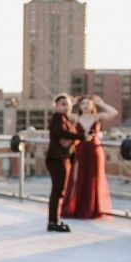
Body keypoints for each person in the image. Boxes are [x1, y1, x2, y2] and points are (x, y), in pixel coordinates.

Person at [62, 94, 117, 219]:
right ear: (80, 106)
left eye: (88, 103)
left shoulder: (97, 117)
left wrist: (101, 103)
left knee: (94, 178)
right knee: (78, 177)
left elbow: (114, 113)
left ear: (92, 105)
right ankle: (77, 208)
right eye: (83, 104)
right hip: (80, 150)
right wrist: (73, 102)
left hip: (94, 150)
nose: (86, 106)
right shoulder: (76, 117)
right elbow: (66, 112)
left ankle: (92, 209)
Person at [45, 93, 79, 232]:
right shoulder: (57, 118)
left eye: (68, 104)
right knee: (57, 191)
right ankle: (53, 221)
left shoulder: (66, 119)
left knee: (59, 191)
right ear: (56, 106)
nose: (66, 106)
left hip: (63, 158)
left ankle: (55, 220)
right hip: (56, 159)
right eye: (62, 104)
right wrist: (81, 136)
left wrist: (74, 139)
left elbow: (68, 137)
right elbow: (61, 134)